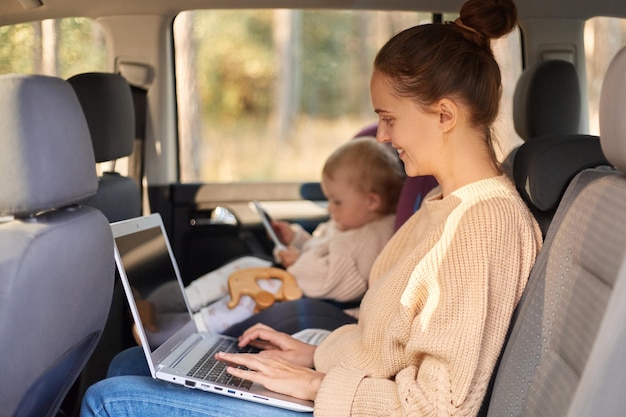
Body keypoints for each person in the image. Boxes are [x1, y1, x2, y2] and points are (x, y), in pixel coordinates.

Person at [81, 0, 543, 415]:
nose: (381, 136)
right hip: (348, 390)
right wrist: (312, 354)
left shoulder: (484, 224)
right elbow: (385, 345)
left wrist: (315, 384)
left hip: (352, 407)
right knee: (130, 361)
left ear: (444, 115)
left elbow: (438, 406)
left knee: (107, 399)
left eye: (388, 119)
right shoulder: (443, 204)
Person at [138, 136, 405, 340]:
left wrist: (297, 260)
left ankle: (191, 330)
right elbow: (322, 246)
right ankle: (180, 304)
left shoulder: (372, 237)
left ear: (372, 202)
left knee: (256, 292)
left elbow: (333, 282)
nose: (330, 209)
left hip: (329, 303)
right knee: (247, 265)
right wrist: (296, 238)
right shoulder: (351, 220)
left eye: (337, 201)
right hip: (302, 281)